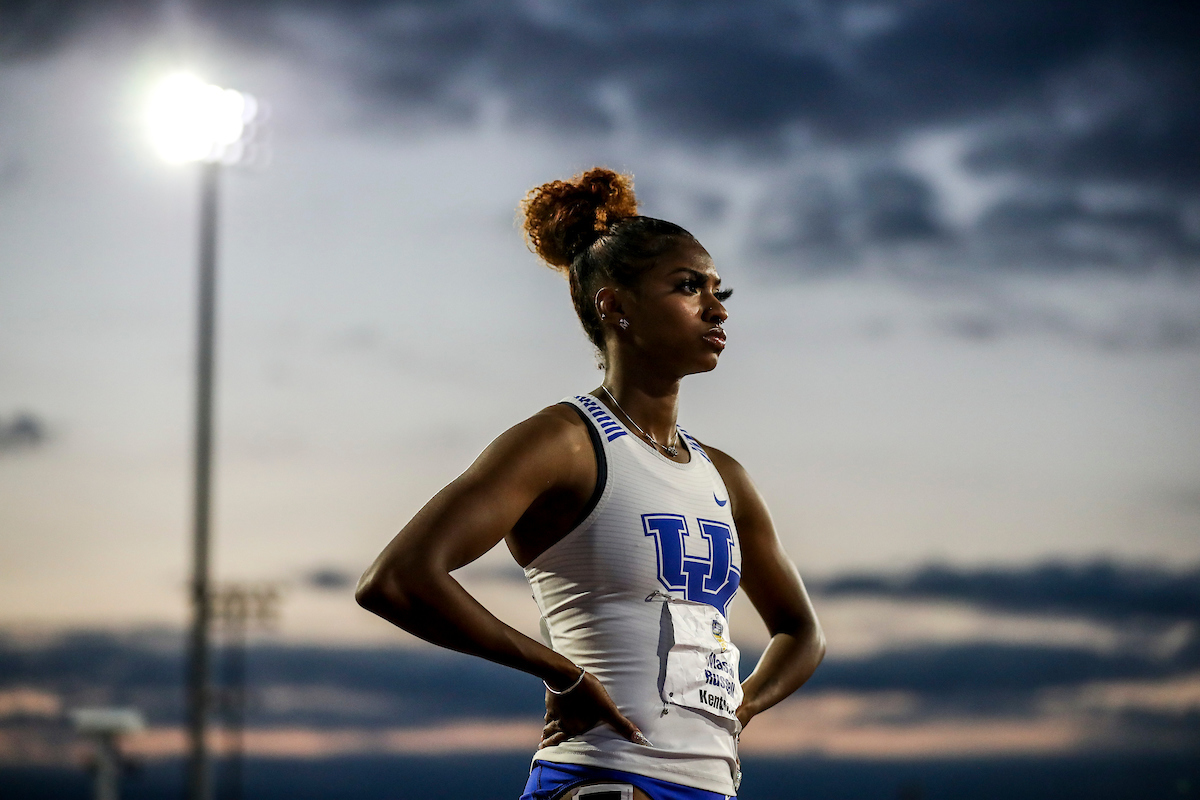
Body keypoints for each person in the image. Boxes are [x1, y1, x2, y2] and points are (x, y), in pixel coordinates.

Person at [356, 168, 825, 800]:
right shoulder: (565, 443)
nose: (715, 307)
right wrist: (561, 673)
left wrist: (738, 710)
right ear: (615, 305)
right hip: (602, 777)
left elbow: (802, 632)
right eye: (689, 288)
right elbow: (397, 578)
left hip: (712, 786)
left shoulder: (725, 476)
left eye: (720, 290)